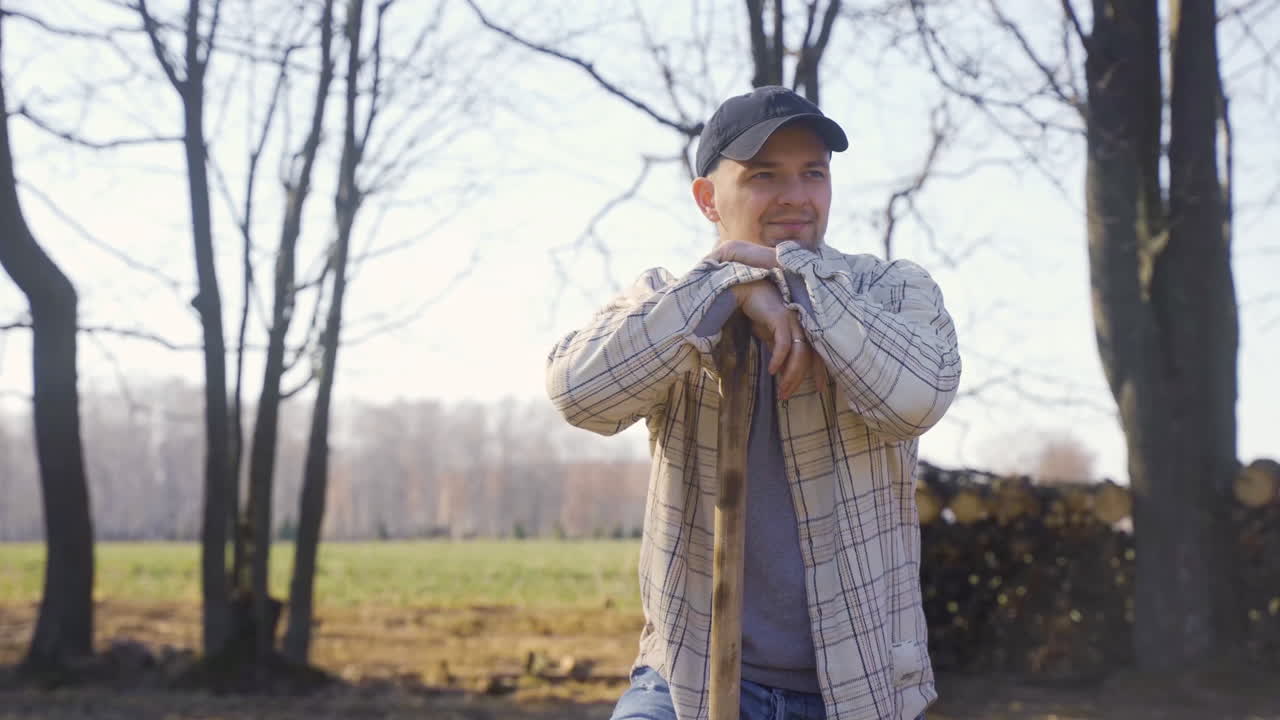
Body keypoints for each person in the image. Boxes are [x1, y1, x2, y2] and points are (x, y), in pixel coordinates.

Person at [545, 86, 961, 720]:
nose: (796, 195)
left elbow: (916, 399)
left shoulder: (890, 292)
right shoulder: (668, 301)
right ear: (707, 199)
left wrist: (795, 284)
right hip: (690, 680)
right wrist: (727, 287)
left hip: (858, 692)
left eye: (813, 173)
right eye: (765, 175)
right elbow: (580, 393)